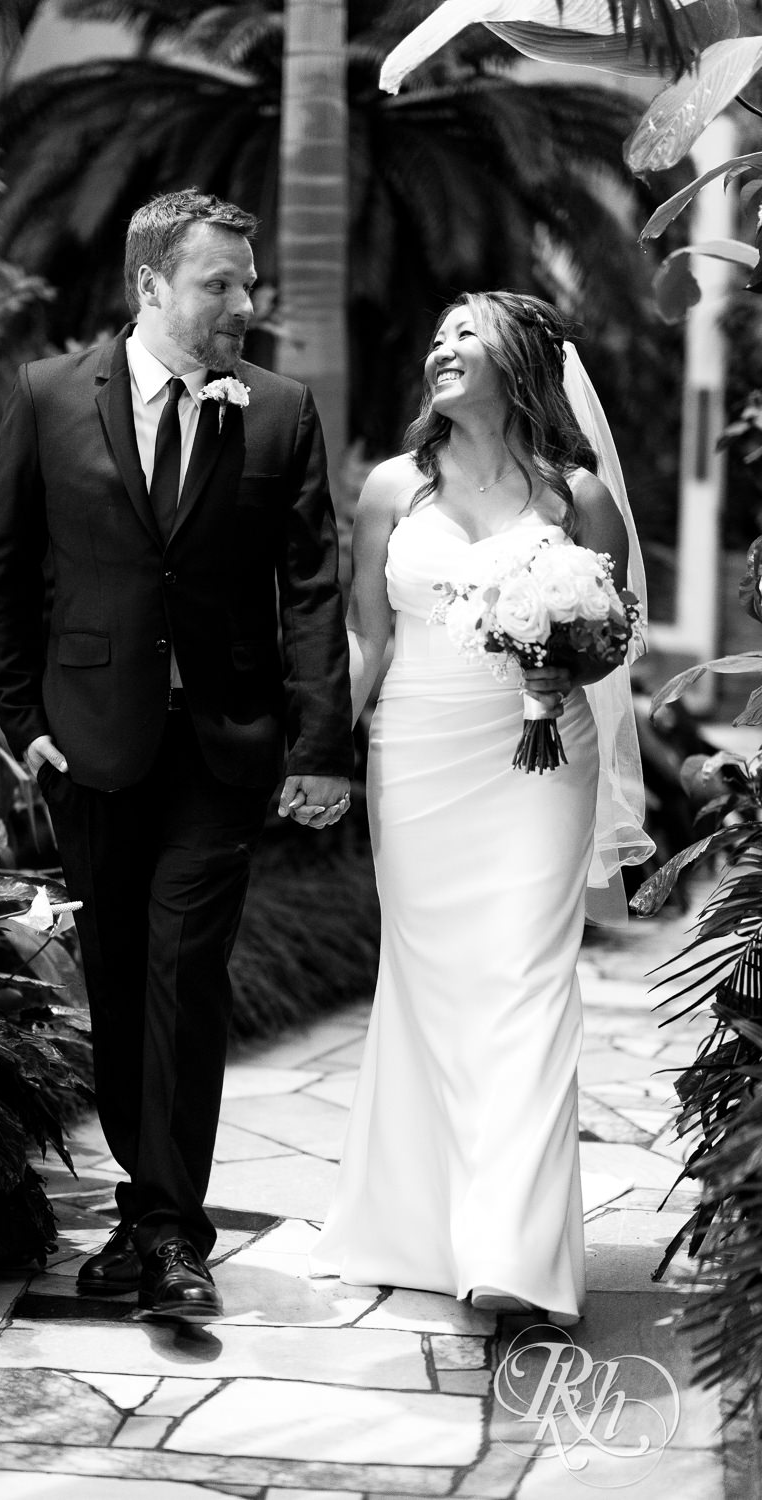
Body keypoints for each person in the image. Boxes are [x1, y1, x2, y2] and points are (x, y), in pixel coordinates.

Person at [0, 190, 353, 1324]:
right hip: (89, 741)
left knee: (185, 970)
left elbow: (313, 589)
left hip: (222, 747)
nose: (246, 300)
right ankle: (147, 1219)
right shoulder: (48, 396)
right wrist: (19, 719)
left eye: (247, 280)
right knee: (119, 980)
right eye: (219, 282)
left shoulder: (281, 412)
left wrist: (323, 743)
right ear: (151, 286)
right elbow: (4, 567)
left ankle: (172, 1232)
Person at [309, 291, 651, 1325]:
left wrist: (557, 655)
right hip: (415, 759)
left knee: (524, 979)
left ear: (523, 363)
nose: (439, 346)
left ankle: (512, 1248)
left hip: (538, 761)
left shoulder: (577, 498)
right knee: (426, 982)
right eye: (437, 333)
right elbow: (366, 639)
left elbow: (614, 633)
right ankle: (417, 1227)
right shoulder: (387, 490)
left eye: (466, 334)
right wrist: (318, 752)